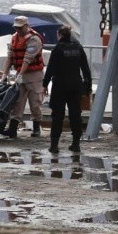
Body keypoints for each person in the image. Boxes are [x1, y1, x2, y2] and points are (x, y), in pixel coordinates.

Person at [42, 25, 91, 153]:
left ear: (60, 35)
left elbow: (50, 69)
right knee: (75, 115)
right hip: (75, 85)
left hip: (60, 85)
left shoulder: (58, 49)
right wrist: (88, 86)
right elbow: (85, 68)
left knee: (57, 115)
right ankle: (76, 144)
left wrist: (44, 85)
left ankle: (54, 145)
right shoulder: (78, 47)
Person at [0, 16, 45, 138]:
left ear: (26, 26)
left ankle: (36, 129)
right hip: (21, 75)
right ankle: (12, 130)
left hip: (34, 75)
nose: (18, 30)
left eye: (20, 28)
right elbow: (10, 57)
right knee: (17, 102)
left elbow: (27, 59)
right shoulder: (14, 38)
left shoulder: (34, 39)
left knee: (35, 103)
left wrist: (20, 74)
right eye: (16, 28)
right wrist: (5, 74)